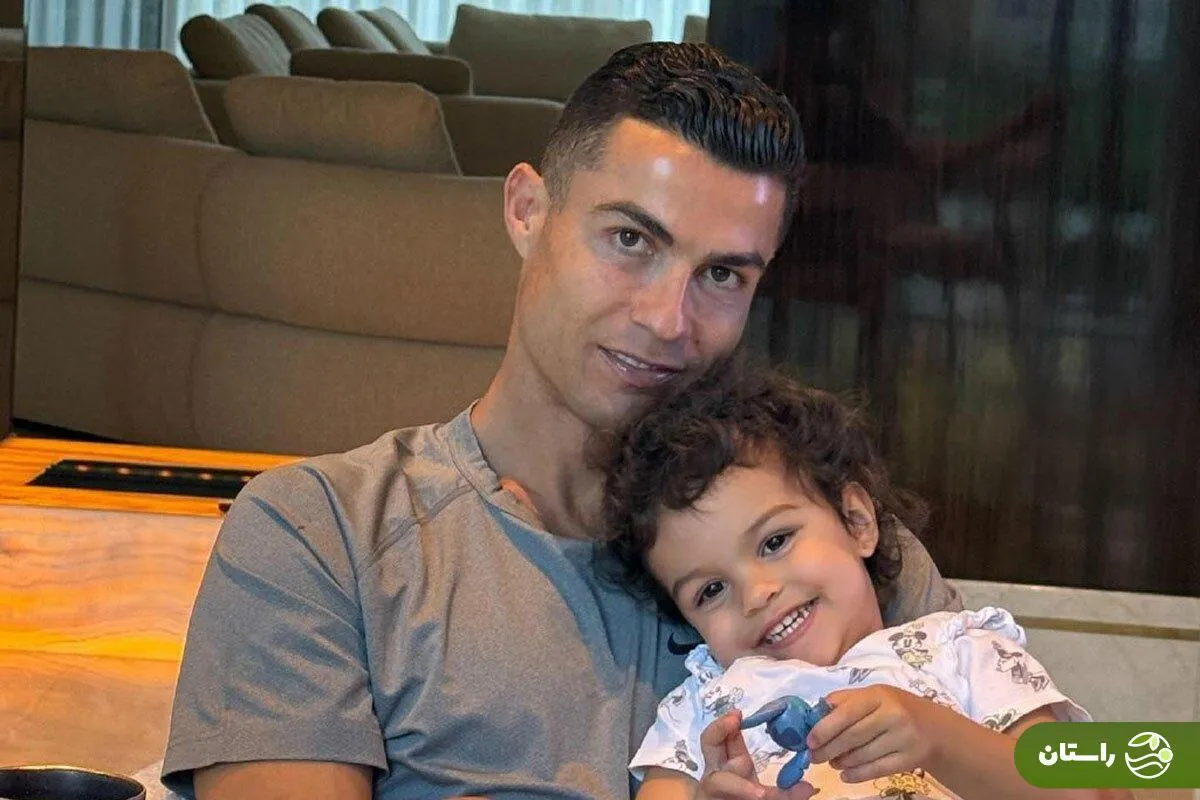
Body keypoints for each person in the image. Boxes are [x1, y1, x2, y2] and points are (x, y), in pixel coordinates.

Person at [161, 43, 963, 800]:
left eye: (721, 274)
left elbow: (1045, 755)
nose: (667, 319)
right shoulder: (323, 537)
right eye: (630, 239)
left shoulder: (819, 548)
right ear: (526, 210)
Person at [598, 357, 1131, 800]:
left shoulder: (962, 651)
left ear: (857, 521)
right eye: (711, 590)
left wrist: (939, 738)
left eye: (775, 542)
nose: (757, 594)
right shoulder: (704, 711)